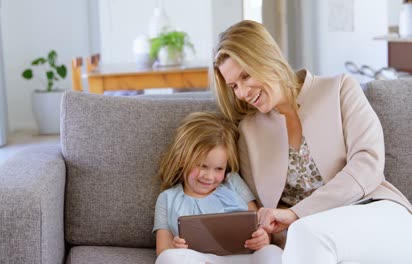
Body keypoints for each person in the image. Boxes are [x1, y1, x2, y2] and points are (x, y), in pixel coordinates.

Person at [212, 20, 412, 264]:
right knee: (305, 237)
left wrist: (297, 214)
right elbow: (264, 213)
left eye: (245, 75)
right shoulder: (249, 131)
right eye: (234, 85)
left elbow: (368, 165)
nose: (242, 92)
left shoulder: (339, 89)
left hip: (376, 213)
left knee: (305, 233)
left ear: (267, 57)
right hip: (313, 244)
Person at [153, 111, 283, 264]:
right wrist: (175, 247)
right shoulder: (167, 198)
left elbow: (256, 221)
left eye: (219, 169)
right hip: (198, 260)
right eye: (202, 166)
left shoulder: (232, 181)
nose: (209, 176)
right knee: (167, 258)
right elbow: (162, 250)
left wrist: (262, 237)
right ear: (182, 159)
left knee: (273, 252)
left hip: (242, 258)